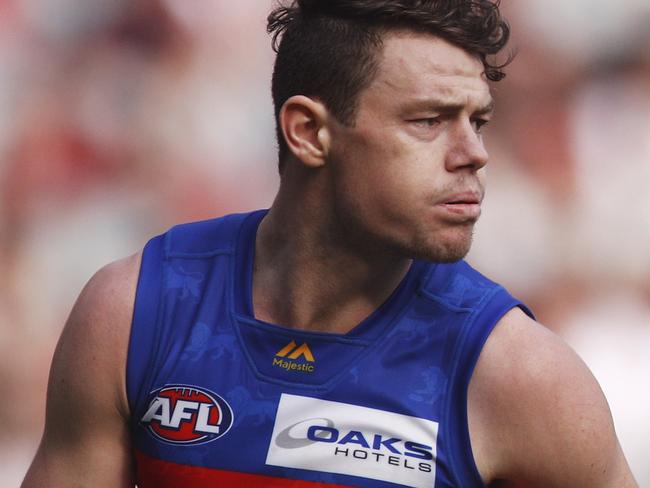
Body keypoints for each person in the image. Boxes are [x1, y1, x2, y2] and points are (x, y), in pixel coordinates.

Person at [23, 1, 637, 486]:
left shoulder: (519, 377)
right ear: (309, 132)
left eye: (476, 121)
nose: (473, 154)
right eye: (428, 121)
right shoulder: (135, 315)